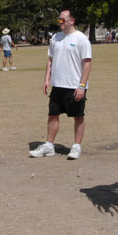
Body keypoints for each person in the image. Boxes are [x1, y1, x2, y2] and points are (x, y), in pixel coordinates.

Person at [30, 9, 92, 160]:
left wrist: (82, 85)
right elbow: (50, 60)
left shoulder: (81, 39)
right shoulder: (55, 38)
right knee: (52, 115)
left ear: (72, 21)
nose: (60, 23)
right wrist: (47, 79)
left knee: (78, 116)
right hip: (57, 85)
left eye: (63, 20)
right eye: (59, 20)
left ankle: (76, 147)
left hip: (74, 85)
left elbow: (87, 64)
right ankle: (49, 145)